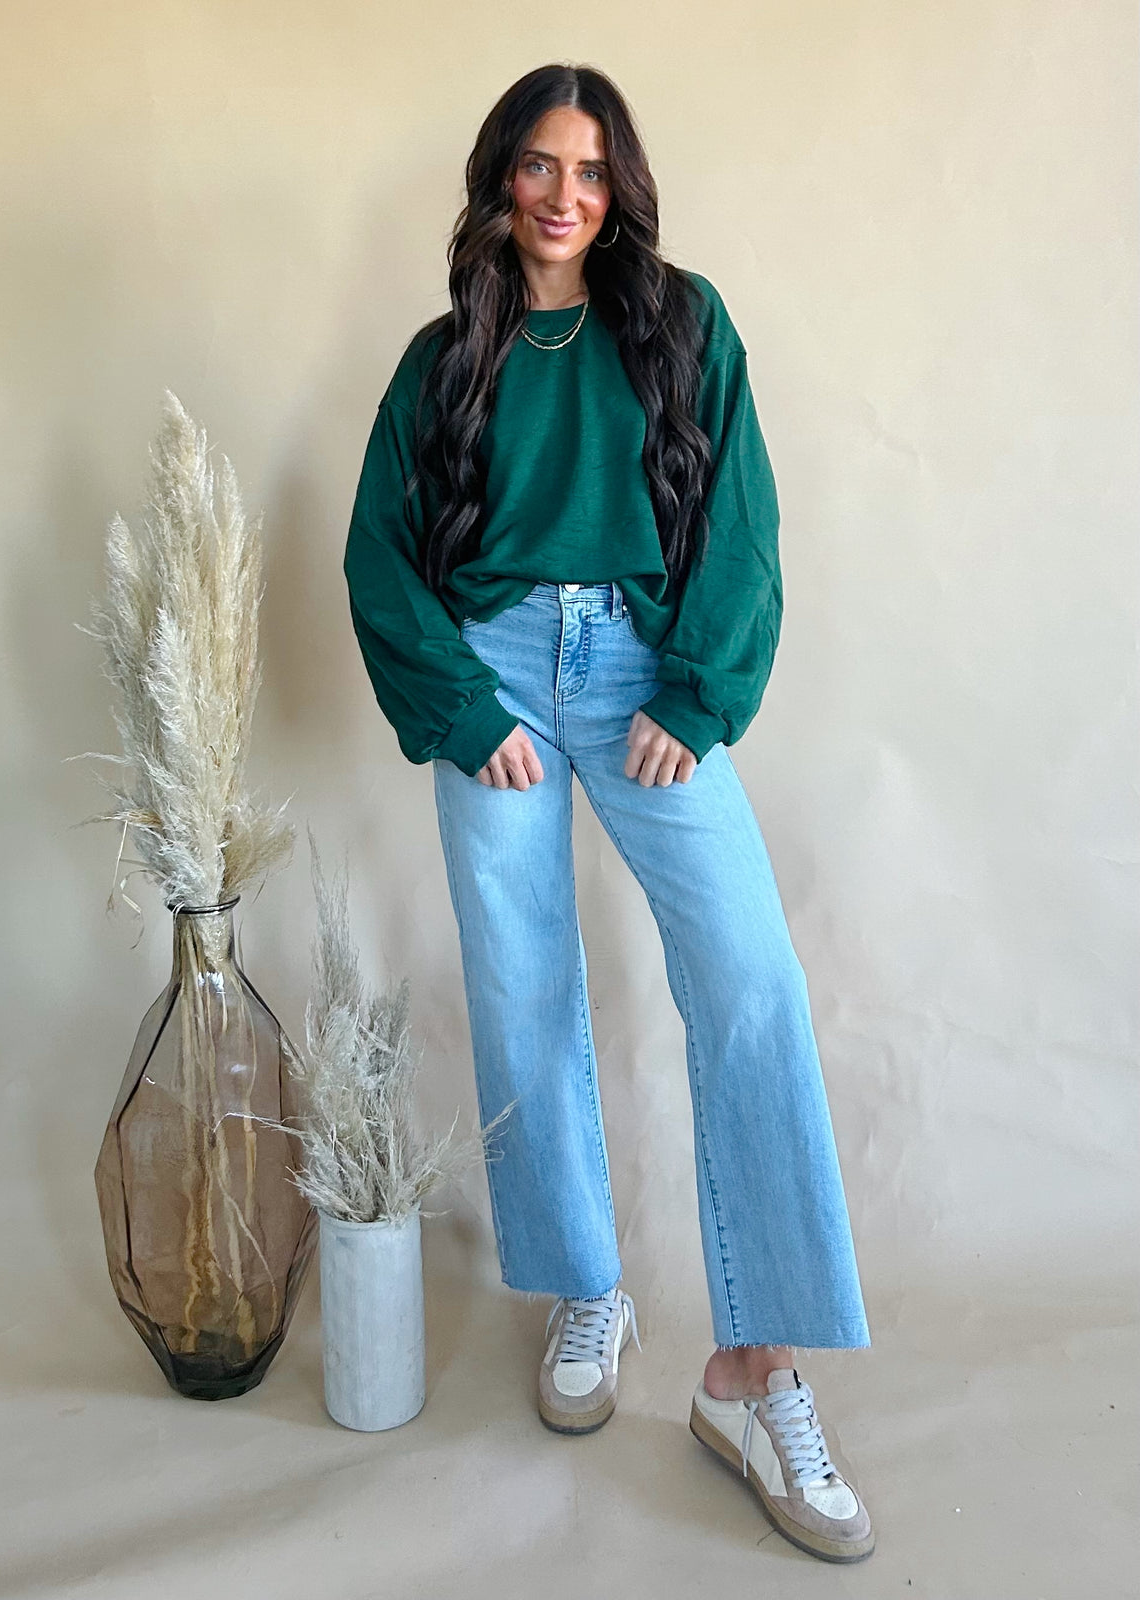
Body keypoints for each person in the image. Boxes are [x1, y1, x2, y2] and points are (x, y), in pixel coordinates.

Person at [343, 62, 875, 1564]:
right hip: (496, 676)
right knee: (523, 987)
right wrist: (464, 708)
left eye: (587, 169)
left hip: (646, 664)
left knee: (750, 981)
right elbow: (379, 552)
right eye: (537, 165)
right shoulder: (444, 357)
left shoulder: (685, 323)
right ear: (499, 180)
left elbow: (745, 521)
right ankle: (588, 1286)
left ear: (618, 184)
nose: (562, 195)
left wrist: (694, 695)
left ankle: (753, 1373)